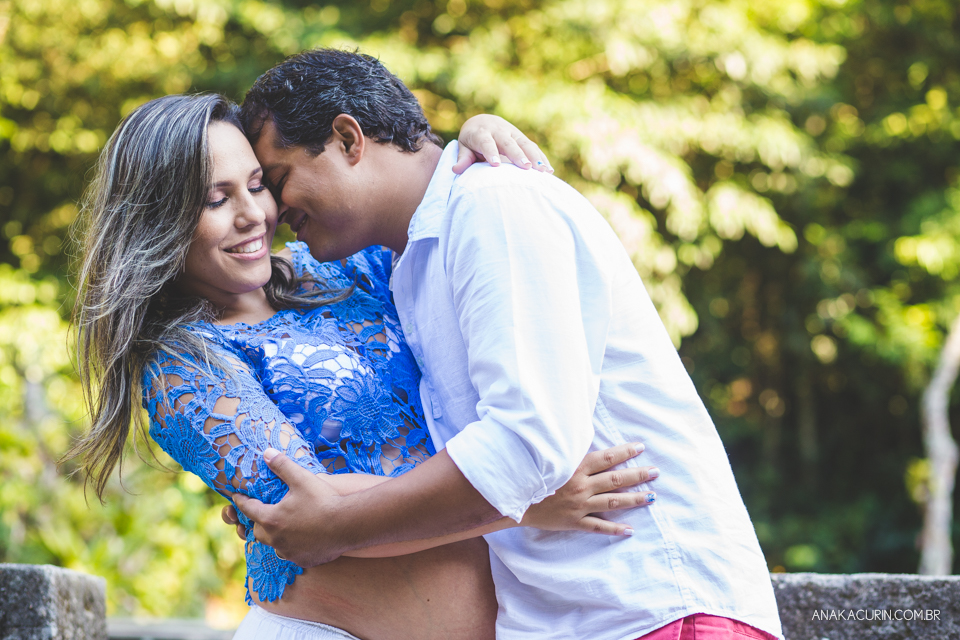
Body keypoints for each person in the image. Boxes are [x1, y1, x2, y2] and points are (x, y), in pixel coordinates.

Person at [232, 49, 785, 640]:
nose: (272, 210)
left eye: (278, 180)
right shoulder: (405, 263)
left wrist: (339, 525)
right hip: (569, 620)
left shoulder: (493, 204)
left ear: (348, 139)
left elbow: (527, 443)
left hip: (658, 608)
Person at [66, 92, 659, 640]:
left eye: (258, 185)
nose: (254, 214)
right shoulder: (183, 364)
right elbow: (311, 512)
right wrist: (522, 501)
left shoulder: (340, 267)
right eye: (216, 200)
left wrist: (472, 139)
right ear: (157, 221)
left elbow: (415, 200)